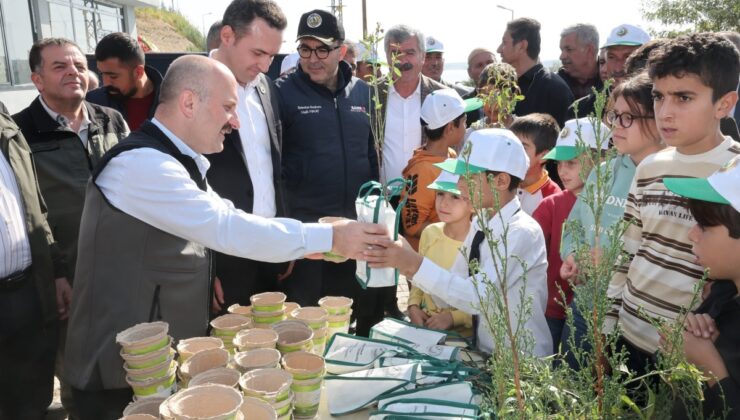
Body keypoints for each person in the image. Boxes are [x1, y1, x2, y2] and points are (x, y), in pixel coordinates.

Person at [63, 55, 387, 419]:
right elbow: (227, 227)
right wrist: (329, 237)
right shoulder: (141, 165)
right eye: (228, 107)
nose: (234, 121)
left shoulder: (176, 160)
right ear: (189, 102)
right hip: (118, 374)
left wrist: (310, 244)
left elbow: (229, 221)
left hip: (151, 366)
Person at [604, 33, 739, 379]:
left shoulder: (734, 173)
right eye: (659, 97)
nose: (665, 112)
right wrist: (607, 328)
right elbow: (629, 250)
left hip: (690, 352)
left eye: (683, 97)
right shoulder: (650, 166)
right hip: (629, 337)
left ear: (723, 104)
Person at [12, 38, 128, 419]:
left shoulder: (110, 119)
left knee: (128, 362)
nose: (73, 72)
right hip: (66, 274)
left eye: (79, 65)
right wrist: (57, 271)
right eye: (60, 66)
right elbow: (29, 211)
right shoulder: (20, 133)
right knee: (77, 371)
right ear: (37, 79)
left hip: (119, 265)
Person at [365, 128, 552, 357]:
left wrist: (414, 263)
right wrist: (405, 264)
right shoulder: (482, 222)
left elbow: (476, 298)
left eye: (469, 177)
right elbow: (451, 291)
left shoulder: (521, 232)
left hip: (520, 360)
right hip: (486, 350)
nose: (460, 184)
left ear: (501, 181)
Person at [274, 9, 380, 334]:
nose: (312, 58)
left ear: (341, 51)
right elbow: (273, 170)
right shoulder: (281, 93)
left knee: (345, 321)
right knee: (305, 327)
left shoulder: (364, 93)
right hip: (306, 239)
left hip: (352, 233)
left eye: (322, 49)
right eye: (305, 48)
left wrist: (375, 216)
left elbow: (371, 158)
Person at [559, 72, 664, 369]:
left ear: (659, 122)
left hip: (638, 320)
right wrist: (573, 256)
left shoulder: (670, 179)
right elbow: (575, 227)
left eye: (628, 117)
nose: (616, 126)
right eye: (613, 116)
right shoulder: (602, 172)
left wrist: (612, 262)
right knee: (573, 388)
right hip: (586, 304)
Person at [207, 0, 289, 310]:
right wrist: (205, 266)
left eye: (271, 55)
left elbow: (274, 168)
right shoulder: (190, 86)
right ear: (227, 36)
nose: (266, 65)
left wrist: (283, 241)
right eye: (257, 53)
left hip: (269, 249)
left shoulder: (266, 87)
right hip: (223, 255)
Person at [0, 106, 68, 419]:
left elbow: (36, 207)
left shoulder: (5, 123)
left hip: (27, 290)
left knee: (30, 399)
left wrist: (55, 271)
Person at [662, 155, 740, 420]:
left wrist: (711, 369)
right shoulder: (721, 293)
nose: (691, 234)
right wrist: (682, 346)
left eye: (704, 226)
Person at [532, 117, 608, 352]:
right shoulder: (551, 205)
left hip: (596, 313)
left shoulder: (613, 205)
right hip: (552, 309)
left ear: (601, 160)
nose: (562, 171)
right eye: (559, 163)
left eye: (572, 163)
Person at [406, 171, 473, 338]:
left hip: (465, 339)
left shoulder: (480, 242)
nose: (444, 203)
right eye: (440, 194)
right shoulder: (430, 233)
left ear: (473, 203)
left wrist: (453, 317)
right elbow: (418, 277)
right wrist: (413, 305)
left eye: (455, 197)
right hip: (426, 329)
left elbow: (487, 300)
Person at [401, 88, 468, 250]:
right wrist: (453, 232)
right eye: (465, 122)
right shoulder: (423, 169)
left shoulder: (450, 154)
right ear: (450, 128)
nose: (467, 127)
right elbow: (413, 226)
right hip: (429, 257)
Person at [378, 24, 446, 183]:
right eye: (395, 53)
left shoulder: (441, 95)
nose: (402, 60)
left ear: (422, 56)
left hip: (427, 198)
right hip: (381, 199)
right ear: (387, 57)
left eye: (410, 53)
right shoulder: (370, 94)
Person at [496, 17, 573, 127]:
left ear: (522, 46)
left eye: (504, 42)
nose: (498, 49)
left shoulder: (554, 89)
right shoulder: (504, 86)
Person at [569, 24, 650, 119]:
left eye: (628, 57)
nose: (618, 68)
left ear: (647, 59)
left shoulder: (658, 106)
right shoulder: (580, 110)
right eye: (612, 57)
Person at [86, 32, 163, 131]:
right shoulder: (93, 102)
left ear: (138, 72)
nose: (105, 83)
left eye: (113, 76)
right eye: (102, 74)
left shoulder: (173, 100)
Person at [509, 113, 561, 215]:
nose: (512, 152)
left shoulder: (553, 198)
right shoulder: (502, 183)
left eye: (523, 148)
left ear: (543, 156)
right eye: (511, 144)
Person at [468, 62, 520, 130]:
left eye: (500, 96)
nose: (493, 104)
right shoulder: (472, 132)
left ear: (513, 95)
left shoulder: (525, 131)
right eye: (487, 95)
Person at [557, 23, 602, 99]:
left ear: (589, 51)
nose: (561, 57)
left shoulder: (611, 79)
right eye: (562, 50)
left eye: (569, 49)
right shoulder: (556, 83)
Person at [462, 47, 496, 126]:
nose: (486, 68)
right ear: (469, 72)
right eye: (479, 65)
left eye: (490, 62)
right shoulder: (462, 104)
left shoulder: (513, 97)